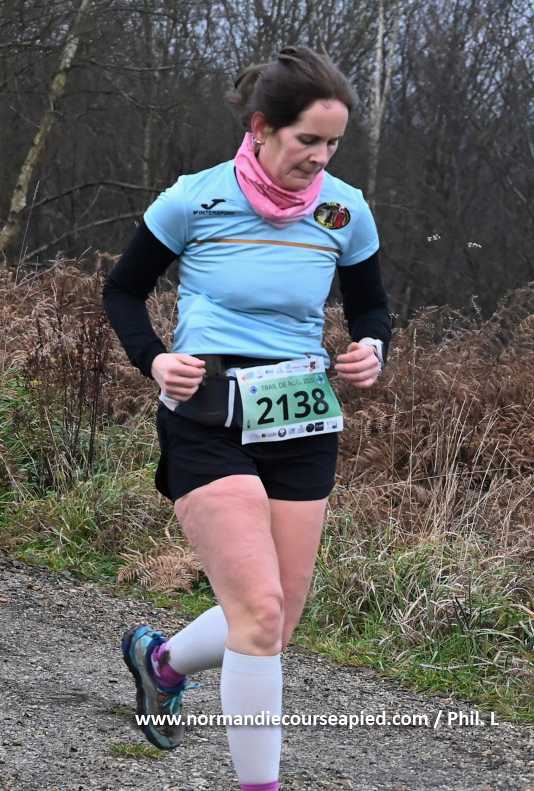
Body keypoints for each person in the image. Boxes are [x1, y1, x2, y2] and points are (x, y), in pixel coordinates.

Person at [103, 45, 391, 791]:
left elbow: (370, 307)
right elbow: (123, 291)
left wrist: (371, 348)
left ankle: (161, 661)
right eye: (308, 140)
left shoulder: (342, 209)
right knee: (258, 615)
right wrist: (154, 360)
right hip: (207, 413)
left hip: (301, 416)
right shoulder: (193, 199)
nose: (320, 157)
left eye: (333, 144)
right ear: (262, 128)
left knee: (274, 623)